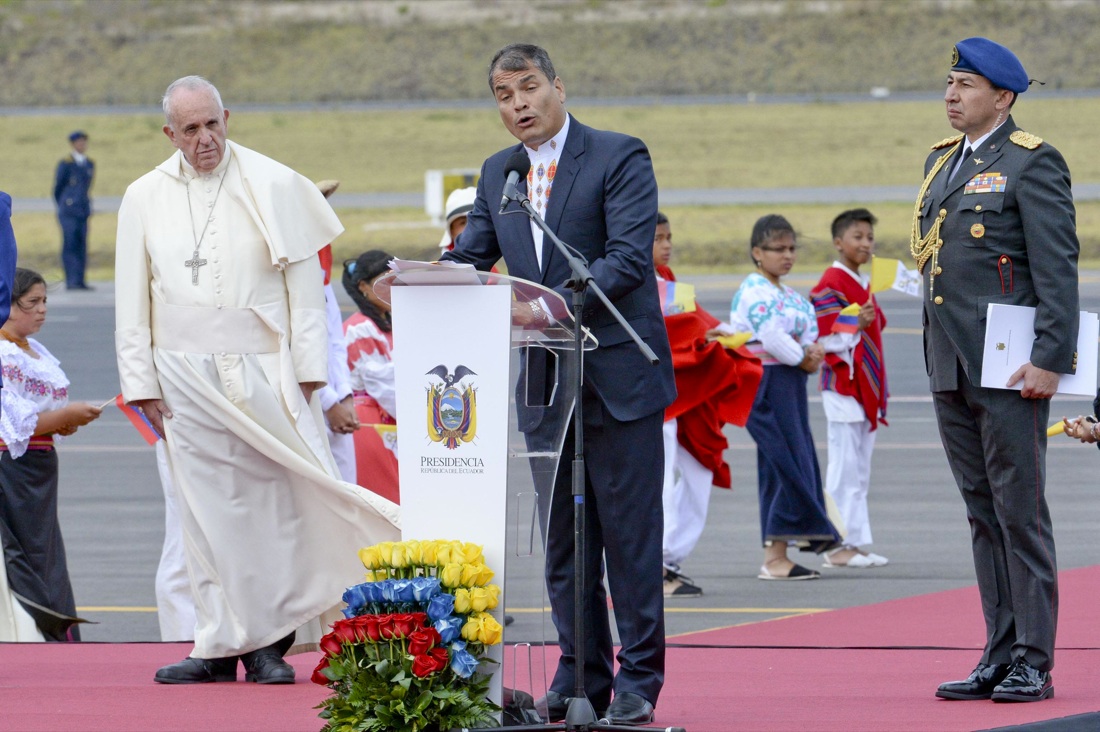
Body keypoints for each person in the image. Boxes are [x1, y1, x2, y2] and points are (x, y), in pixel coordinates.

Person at [114, 75, 399, 685]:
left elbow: (306, 292)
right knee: (205, 517)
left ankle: (270, 642)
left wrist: (309, 374)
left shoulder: (276, 183)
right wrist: (141, 384)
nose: (205, 138)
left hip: (265, 371)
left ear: (228, 119)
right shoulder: (142, 196)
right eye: (190, 129)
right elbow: (131, 299)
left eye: (212, 124)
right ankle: (219, 644)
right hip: (182, 377)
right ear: (170, 134)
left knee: (277, 509)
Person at [440, 44, 676, 726]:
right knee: (566, 545)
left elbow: (626, 259)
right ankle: (580, 676)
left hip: (617, 377)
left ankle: (638, 680)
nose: (519, 104)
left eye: (529, 87)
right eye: (503, 94)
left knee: (629, 541)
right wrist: (426, 278)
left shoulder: (617, 155)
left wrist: (554, 307)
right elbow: (471, 255)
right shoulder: (500, 172)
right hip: (546, 388)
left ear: (558, 87)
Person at [913, 39, 1078, 704]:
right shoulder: (941, 161)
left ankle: (1033, 659)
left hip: (1011, 368)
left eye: (966, 85)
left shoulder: (1032, 161)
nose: (951, 95)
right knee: (982, 514)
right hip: (951, 361)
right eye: (950, 83)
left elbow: (1056, 268)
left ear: (1003, 97)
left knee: (1020, 514)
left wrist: (1051, 359)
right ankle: (1000, 652)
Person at [653, 212, 762, 597]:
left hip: (689, 396)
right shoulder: (634, 284)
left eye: (669, 237)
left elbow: (696, 319)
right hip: (658, 399)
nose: (667, 245)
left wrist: (720, 333)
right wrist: (701, 337)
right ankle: (653, 567)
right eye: (658, 238)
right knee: (660, 484)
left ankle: (669, 559)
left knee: (700, 472)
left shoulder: (668, 280)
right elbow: (667, 335)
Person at [730, 214, 841, 581]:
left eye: (792, 248)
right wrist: (802, 357)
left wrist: (811, 354)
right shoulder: (753, 291)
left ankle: (783, 550)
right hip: (764, 383)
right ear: (757, 252)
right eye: (778, 249)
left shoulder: (791, 296)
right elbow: (772, 336)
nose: (787, 255)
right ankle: (776, 555)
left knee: (796, 459)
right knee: (782, 464)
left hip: (790, 384)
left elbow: (810, 333)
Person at [0, 268, 102, 642]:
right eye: (32, 302)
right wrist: (63, 417)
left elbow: (38, 415)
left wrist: (63, 421)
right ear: (6, 305)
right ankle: (33, 632)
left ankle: (55, 633)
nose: (42, 310)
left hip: (40, 462)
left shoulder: (35, 351)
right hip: (11, 466)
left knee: (45, 550)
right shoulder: (3, 354)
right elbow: (10, 422)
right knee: (23, 550)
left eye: (45, 301)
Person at [809, 208, 890, 569]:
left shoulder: (862, 281)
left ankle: (853, 541)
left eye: (870, 237)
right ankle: (836, 545)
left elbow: (873, 327)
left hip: (862, 388)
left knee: (859, 470)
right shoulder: (831, 283)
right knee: (844, 470)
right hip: (842, 386)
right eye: (857, 237)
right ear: (838, 242)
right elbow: (823, 339)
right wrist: (854, 323)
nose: (866, 244)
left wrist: (860, 323)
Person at [341, 249, 398, 504]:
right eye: (384, 281)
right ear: (363, 286)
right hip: (371, 425)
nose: (392, 288)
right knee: (383, 502)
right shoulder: (359, 328)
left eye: (396, 280)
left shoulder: (391, 325)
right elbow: (387, 388)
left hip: (391, 422)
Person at [314, 180, 359, 484]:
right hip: (308, 402)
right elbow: (289, 348)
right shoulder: (279, 273)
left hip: (334, 403)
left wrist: (344, 395)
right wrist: (329, 402)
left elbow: (334, 339)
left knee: (348, 493)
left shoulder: (321, 270)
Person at [53, 131, 95, 290]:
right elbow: (58, 188)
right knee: (70, 244)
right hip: (68, 211)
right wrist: (64, 204)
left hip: (83, 210)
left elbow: (87, 187)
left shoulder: (89, 163)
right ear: (73, 144)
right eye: (79, 142)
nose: (82, 145)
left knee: (81, 245)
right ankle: (71, 280)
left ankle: (80, 280)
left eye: (83, 142)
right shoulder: (66, 163)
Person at [438, 186, 477, 254]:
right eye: (463, 222)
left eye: (475, 220)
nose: (470, 227)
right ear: (451, 230)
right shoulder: (447, 260)